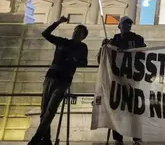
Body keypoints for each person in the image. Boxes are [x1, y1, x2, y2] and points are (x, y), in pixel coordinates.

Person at [28, 17, 88, 145]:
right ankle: (47, 140)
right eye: (75, 30)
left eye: (79, 32)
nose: (75, 33)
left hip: (64, 80)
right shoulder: (63, 41)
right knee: (44, 110)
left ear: (83, 36)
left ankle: (36, 139)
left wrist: (74, 60)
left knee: (50, 110)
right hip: (51, 76)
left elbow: (84, 63)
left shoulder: (82, 47)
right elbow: (45, 34)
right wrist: (58, 22)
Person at [99, 16, 145, 145]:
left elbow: (143, 54)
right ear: (119, 26)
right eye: (125, 24)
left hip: (132, 80)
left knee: (134, 110)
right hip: (117, 80)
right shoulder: (114, 40)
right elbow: (103, 58)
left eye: (130, 24)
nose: (128, 26)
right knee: (116, 110)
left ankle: (137, 138)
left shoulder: (138, 39)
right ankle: (118, 138)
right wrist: (105, 46)